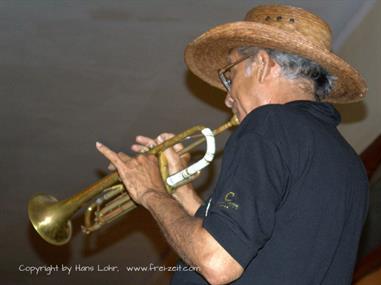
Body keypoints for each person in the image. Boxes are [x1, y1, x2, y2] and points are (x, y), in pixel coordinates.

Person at [96, 4, 369, 284]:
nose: (227, 98)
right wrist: (179, 189)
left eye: (230, 75)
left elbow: (217, 262)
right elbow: (253, 245)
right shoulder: (349, 163)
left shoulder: (269, 122)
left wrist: (151, 192)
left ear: (262, 65)